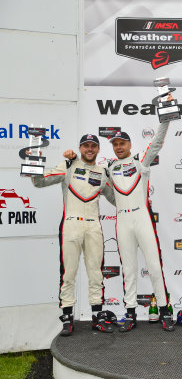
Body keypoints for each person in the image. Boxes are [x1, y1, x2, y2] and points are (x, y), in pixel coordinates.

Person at [67, 122, 174, 332]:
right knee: (129, 270)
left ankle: (165, 311)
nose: (118, 147)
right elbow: (92, 176)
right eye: (115, 144)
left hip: (142, 217)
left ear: (130, 144)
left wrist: (166, 119)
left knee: (154, 267)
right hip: (122, 220)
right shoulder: (109, 168)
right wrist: (72, 160)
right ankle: (131, 313)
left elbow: (158, 142)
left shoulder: (141, 160)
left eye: (122, 143)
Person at [30, 134, 116, 336]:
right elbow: (40, 182)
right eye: (86, 146)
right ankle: (67, 317)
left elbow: (116, 198)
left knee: (96, 273)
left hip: (94, 225)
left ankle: (98, 316)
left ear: (97, 149)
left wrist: (139, 204)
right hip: (71, 224)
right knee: (68, 273)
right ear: (80, 148)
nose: (89, 149)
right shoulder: (68, 165)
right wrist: (34, 163)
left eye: (93, 146)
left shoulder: (103, 172)